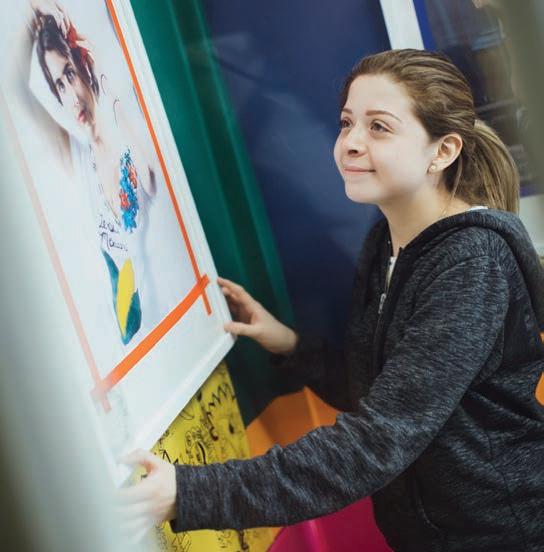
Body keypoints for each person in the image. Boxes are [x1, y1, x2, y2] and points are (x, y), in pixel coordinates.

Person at [119, 49, 544, 551]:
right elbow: (379, 394)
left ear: (443, 151)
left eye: (379, 127)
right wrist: (290, 345)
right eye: (347, 123)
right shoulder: (385, 243)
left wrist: (190, 493)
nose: (351, 143)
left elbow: (378, 441)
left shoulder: (471, 263)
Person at [31, 1, 158, 346]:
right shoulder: (80, 159)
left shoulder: (121, 121)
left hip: (172, 320)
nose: (71, 97)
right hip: (131, 340)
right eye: (59, 85)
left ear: (81, 64)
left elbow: (149, 176)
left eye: (70, 75)